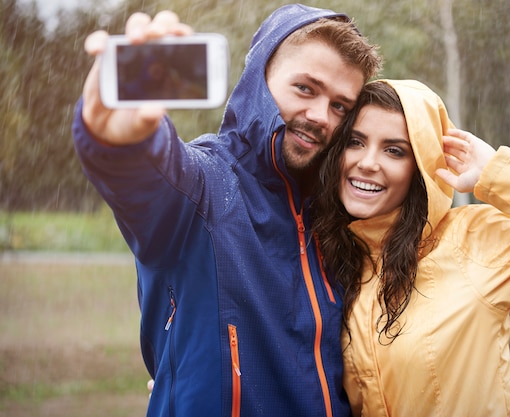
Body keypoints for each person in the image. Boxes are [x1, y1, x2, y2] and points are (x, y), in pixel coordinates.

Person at [72, 4, 381, 417]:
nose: (321, 117)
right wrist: (116, 138)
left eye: (340, 106)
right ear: (259, 79)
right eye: (305, 89)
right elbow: (148, 174)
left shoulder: (340, 217)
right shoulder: (206, 185)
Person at [312, 79, 510, 416]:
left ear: (421, 167)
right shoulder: (329, 260)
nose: (368, 162)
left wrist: (500, 175)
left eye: (394, 150)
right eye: (356, 142)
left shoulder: (473, 242)